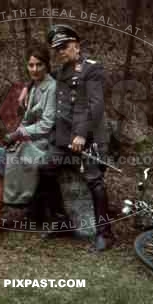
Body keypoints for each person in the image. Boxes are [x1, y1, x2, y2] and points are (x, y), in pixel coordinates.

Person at [0, 45, 57, 236]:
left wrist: (19, 133)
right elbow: (25, 116)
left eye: (39, 65)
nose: (35, 69)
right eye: (31, 65)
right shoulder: (33, 86)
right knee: (1, 162)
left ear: (47, 66)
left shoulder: (52, 87)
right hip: (26, 140)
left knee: (0, 158)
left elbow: (47, 124)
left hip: (41, 144)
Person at [39, 24, 114, 251]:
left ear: (76, 46)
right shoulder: (60, 73)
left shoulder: (92, 69)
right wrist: (27, 88)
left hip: (89, 136)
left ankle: (105, 232)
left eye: (64, 46)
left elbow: (95, 105)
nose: (61, 51)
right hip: (63, 139)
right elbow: (44, 85)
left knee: (95, 181)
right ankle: (61, 221)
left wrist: (81, 134)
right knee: (45, 169)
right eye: (57, 48)